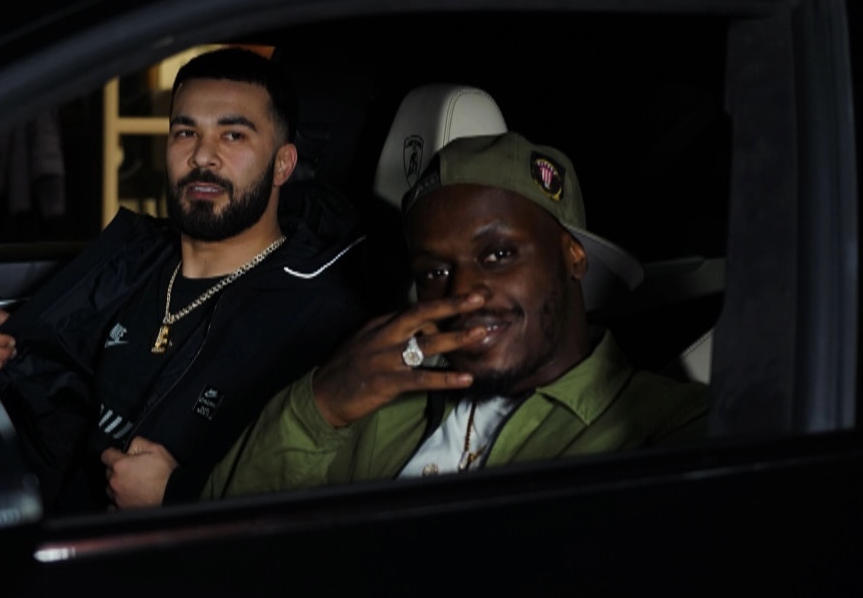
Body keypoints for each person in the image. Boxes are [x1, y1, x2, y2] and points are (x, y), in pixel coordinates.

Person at [0, 46, 368, 511]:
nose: (202, 156)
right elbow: (67, 415)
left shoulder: (318, 316)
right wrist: (12, 361)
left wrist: (178, 498)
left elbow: (320, 503)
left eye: (233, 135)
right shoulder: (132, 261)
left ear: (283, 164)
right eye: (185, 132)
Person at [203, 131, 709, 499]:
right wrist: (321, 405)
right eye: (435, 271)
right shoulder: (377, 405)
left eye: (499, 255)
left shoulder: (672, 427)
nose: (464, 291)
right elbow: (227, 540)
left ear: (573, 257)